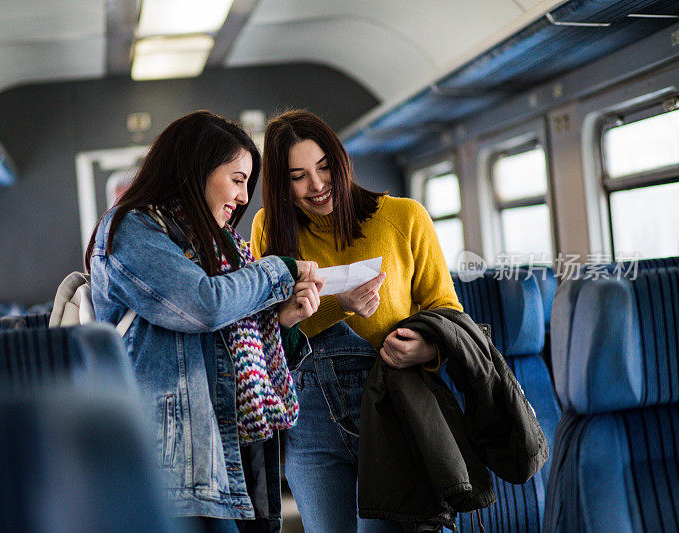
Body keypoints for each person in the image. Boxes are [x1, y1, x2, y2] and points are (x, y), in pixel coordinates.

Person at [86, 111, 323, 532]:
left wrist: (282, 322)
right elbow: (204, 305)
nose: (244, 196)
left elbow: (240, 349)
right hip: (175, 467)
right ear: (195, 170)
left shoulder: (224, 247)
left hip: (235, 452)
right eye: (236, 179)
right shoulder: (130, 231)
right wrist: (276, 271)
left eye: (248, 183)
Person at [251, 110, 463, 532]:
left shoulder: (404, 217)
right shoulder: (269, 229)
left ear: (341, 161)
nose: (317, 185)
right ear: (280, 185)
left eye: (325, 167)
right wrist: (339, 306)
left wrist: (427, 347)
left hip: (390, 400)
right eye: (298, 176)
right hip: (308, 412)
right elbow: (267, 332)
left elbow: (447, 311)